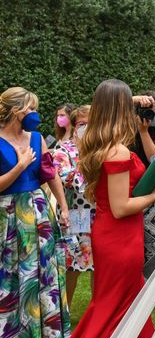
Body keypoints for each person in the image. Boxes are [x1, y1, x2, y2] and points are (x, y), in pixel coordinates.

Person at [56, 80, 155, 338]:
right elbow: (121, 207)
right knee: (114, 307)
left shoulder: (98, 142)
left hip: (115, 234)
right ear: (120, 110)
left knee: (121, 304)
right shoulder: (118, 150)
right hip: (120, 238)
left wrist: (131, 97)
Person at [0, 87, 71, 338]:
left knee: (44, 274)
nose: (34, 114)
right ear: (15, 111)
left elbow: (50, 174)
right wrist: (19, 166)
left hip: (39, 215)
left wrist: (63, 207)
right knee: (14, 277)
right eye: (29, 108)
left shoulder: (38, 138)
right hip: (9, 218)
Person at [53, 104, 94, 311]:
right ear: (74, 125)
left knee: (100, 266)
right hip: (76, 213)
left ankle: (98, 311)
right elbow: (69, 179)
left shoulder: (100, 148)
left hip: (99, 213)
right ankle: (65, 312)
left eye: (90, 124)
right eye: (81, 124)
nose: (86, 128)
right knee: (73, 264)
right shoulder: (63, 149)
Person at [131, 90, 155, 304]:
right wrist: (133, 100)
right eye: (149, 112)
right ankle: (135, 292)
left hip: (150, 198)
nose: (153, 117)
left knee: (154, 245)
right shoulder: (123, 131)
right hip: (128, 195)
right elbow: (105, 104)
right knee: (133, 247)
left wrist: (144, 132)